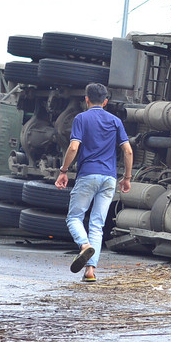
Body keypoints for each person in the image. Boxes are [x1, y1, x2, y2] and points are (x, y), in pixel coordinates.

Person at [55, 82, 132, 282]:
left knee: (74, 218)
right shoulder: (115, 121)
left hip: (88, 175)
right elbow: (128, 151)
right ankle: (90, 271)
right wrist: (127, 178)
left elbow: (73, 148)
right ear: (105, 101)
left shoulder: (81, 118)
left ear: (86, 99)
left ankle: (84, 245)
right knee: (97, 225)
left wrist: (63, 171)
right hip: (109, 178)